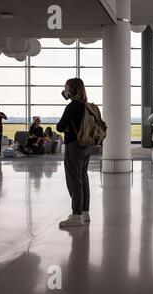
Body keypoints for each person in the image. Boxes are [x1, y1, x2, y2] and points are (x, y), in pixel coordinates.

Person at [57, 78, 91, 228]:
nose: (65, 91)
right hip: (85, 146)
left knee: (74, 180)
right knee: (83, 177)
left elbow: (60, 127)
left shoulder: (72, 107)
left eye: (66, 88)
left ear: (72, 90)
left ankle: (76, 215)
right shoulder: (86, 106)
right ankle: (85, 212)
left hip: (73, 145)